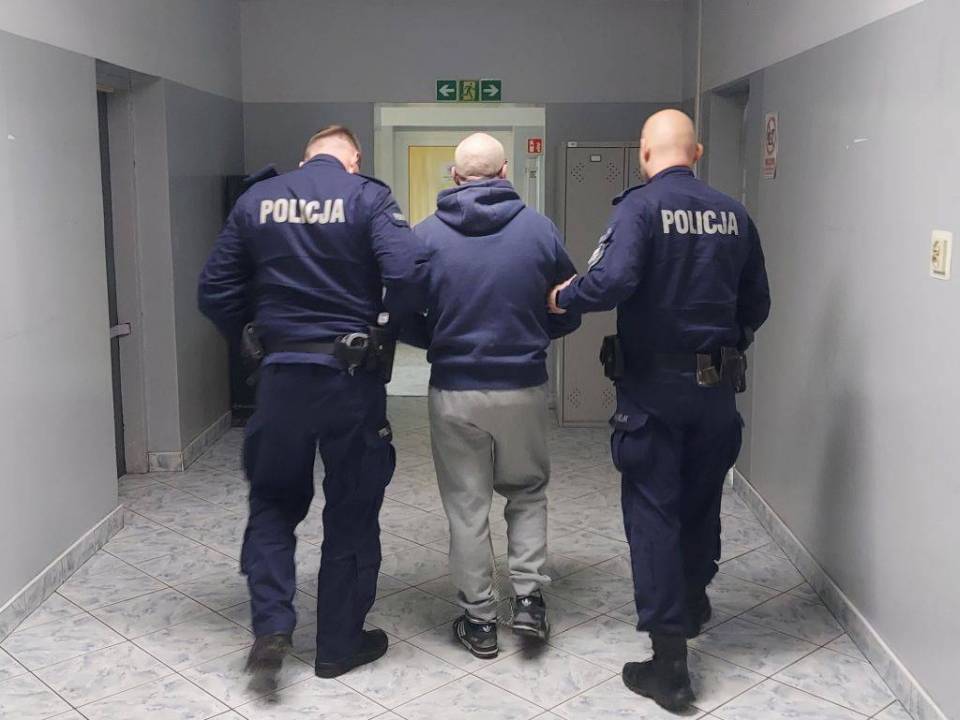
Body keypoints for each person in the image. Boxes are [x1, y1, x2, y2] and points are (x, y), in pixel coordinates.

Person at [548, 109, 770, 712]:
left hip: (653, 391)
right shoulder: (735, 214)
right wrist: (724, 344)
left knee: (653, 513)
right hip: (716, 390)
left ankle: (670, 665)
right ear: (696, 153)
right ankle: (692, 603)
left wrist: (565, 296)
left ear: (645, 155)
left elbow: (610, 281)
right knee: (699, 502)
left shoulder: (640, 209)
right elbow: (758, 303)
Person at [198, 126, 429, 688]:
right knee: (352, 506)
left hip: (280, 377)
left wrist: (251, 339)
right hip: (350, 380)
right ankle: (338, 647)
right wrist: (386, 328)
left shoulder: (257, 200)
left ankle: (271, 627)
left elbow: (214, 290)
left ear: (305, 160)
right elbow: (406, 273)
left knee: (273, 501)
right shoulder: (368, 196)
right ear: (354, 160)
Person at [404, 133, 581, 658]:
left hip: (454, 390)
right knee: (526, 492)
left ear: (455, 176)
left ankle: (479, 621)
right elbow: (569, 303)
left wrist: (440, 340)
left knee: (467, 506)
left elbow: (402, 313)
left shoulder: (425, 236)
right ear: (505, 172)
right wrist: (533, 332)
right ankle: (527, 600)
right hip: (522, 386)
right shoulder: (539, 230)